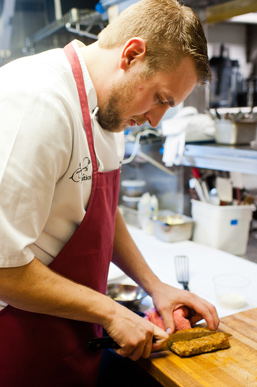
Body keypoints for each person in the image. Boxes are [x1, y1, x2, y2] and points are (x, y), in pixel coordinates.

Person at [0, 0, 219, 385]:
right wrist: (112, 312)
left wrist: (155, 287)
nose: (156, 119)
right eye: (161, 99)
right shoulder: (37, 101)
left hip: (67, 338)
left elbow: (99, 209)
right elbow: (3, 267)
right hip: (14, 342)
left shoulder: (109, 113)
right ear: (132, 54)